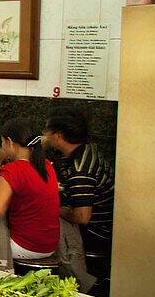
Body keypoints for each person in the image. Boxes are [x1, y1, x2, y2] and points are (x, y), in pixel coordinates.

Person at [44, 107, 115, 285]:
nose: (45, 135)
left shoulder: (80, 169)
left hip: (96, 233)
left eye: (47, 131)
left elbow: (82, 217)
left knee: (40, 220)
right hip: (105, 226)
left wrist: (56, 210)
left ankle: (74, 280)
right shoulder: (88, 151)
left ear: (58, 136)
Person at [0, 118, 60, 260]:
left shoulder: (13, 170)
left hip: (24, 245)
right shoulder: (46, 166)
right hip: (50, 246)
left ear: (10, 142)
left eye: (2, 143)